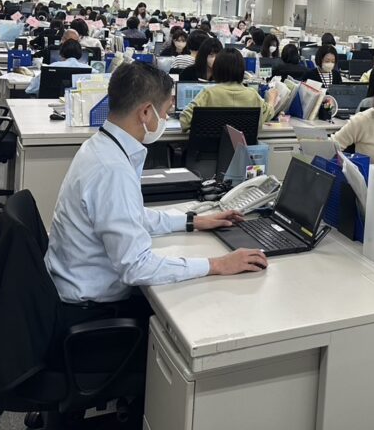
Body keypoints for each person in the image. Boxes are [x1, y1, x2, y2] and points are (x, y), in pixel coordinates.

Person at [44, 61, 266, 328]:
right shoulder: (111, 169)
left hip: (75, 291)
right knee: (203, 316)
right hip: (92, 313)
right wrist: (217, 264)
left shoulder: (101, 147)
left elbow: (131, 216)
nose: (166, 118)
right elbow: (136, 266)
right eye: (165, 112)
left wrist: (191, 221)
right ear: (146, 113)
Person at [180, 48, 279, 132]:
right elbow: (267, 114)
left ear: (217, 69)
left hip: (210, 152)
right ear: (242, 70)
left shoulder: (209, 93)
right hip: (241, 152)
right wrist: (271, 99)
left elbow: (184, 121)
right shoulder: (252, 95)